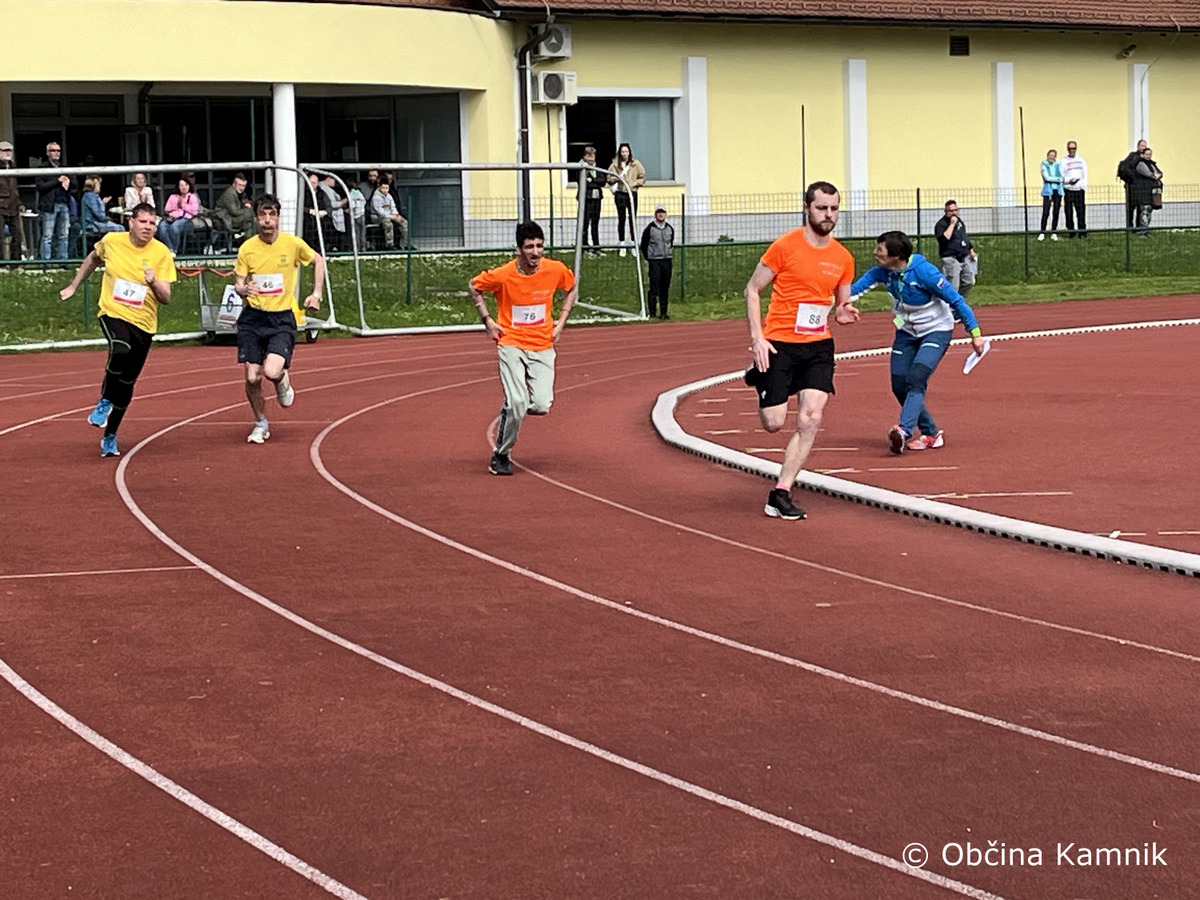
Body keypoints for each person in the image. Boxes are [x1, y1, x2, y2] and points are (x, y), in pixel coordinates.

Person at [743, 181, 859, 520]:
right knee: (773, 422)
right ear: (807, 208)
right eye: (822, 208)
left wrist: (843, 313)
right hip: (779, 342)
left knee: (811, 418)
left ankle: (781, 491)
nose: (828, 215)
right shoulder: (785, 246)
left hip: (818, 346)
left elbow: (841, 303)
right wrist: (758, 338)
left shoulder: (843, 257)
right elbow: (752, 290)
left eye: (834, 208)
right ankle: (759, 376)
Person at [850, 231, 986, 455]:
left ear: (896, 256)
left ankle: (903, 431)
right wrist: (827, 299)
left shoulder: (925, 272)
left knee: (915, 378)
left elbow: (957, 300)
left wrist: (975, 333)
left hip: (936, 331)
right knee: (899, 385)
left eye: (880, 250)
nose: (875, 253)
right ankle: (931, 433)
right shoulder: (882, 271)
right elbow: (853, 291)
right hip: (906, 333)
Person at [57, 204, 176, 457]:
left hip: (144, 323)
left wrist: (153, 281)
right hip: (113, 312)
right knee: (120, 348)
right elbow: (92, 259)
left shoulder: (161, 253)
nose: (148, 227)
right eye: (143, 222)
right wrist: (73, 285)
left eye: (152, 223)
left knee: (127, 384)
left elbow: (166, 297)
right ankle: (104, 400)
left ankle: (110, 434)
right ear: (131, 222)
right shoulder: (112, 241)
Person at [469, 221, 578, 476]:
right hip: (511, 342)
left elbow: (571, 287)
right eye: (529, 247)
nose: (535, 252)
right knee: (518, 402)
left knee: (541, 404)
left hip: (542, 344)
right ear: (519, 249)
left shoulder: (555, 269)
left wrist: (561, 322)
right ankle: (501, 454)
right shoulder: (504, 274)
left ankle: (513, 408)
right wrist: (488, 320)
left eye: (539, 246)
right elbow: (474, 286)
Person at [233, 194, 324, 444]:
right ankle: (261, 422)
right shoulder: (247, 248)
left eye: (271, 214)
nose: (267, 220)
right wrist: (244, 290)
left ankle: (282, 379)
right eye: (262, 215)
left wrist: (316, 294)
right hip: (253, 318)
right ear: (256, 218)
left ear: (278, 217)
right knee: (252, 377)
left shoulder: (292, 244)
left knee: (271, 371)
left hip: (281, 318)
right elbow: (238, 283)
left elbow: (318, 260)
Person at [35, 141, 74, 260]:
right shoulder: (42, 168)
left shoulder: (65, 168)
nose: (56, 153)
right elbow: (40, 187)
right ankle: (46, 262)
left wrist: (68, 182)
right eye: (53, 150)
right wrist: (58, 181)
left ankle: (63, 261)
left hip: (64, 204)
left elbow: (75, 185)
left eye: (58, 150)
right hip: (49, 206)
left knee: (64, 235)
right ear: (48, 152)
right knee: (47, 236)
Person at [607, 142, 645, 256]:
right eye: (623, 151)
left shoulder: (635, 164)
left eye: (626, 151)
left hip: (632, 193)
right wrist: (617, 178)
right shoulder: (614, 165)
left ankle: (633, 243)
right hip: (620, 193)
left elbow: (642, 177)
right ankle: (622, 244)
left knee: (632, 218)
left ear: (630, 152)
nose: (625, 154)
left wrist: (634, 184)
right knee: (621, 218)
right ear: (620, 152)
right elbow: (609, 178)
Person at [933, 199, 976, 300]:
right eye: (951, 211)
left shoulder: (959, 222)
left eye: (956, 210)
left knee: (969, 281)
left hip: (964, 257)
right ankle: (950, 304)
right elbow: (944, 239)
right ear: (946, 212)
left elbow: (963, 236)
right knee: (953, 285)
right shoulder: (941, 224)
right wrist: (951, 225)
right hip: (951, 258)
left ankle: (958, 301)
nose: (954, 213)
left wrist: (971, 249)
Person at [639, 204, 675, 319]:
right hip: (654, 261)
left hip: (667, 260)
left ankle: (664, 312)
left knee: (665, 287)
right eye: (659, 212)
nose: (661, 214)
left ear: (666, 214)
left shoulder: (670, 228)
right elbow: (643, 245)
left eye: (662, 212)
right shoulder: (649, 228)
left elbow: (671, 243)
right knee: (654, 287)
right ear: (655, 214)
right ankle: (653, 312)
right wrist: (649, 257)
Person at [156, 174, 199, 254]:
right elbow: (167, 209)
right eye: (181, 185)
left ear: (189, 186)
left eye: (186, 185)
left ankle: (175, 249)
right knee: (162, 226)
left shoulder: (192, 197)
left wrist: (183, 205)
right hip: (172, 218)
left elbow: (194, 211)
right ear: (178, 187)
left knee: (174, 227)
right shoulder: (173, 196)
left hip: (186, 220)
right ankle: (170, 248)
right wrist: (176, 205)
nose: (184, 187)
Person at [0, 139, 24, 262]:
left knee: (17, 236)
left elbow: (14, 188)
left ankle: (16, 263)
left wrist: (19, 203)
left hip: (13, 206)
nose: (8, 153)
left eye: (9, 150)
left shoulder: (13, 167)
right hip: (1, 206)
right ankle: (1, 264)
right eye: (5, 150)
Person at [212, 172, 256, 238]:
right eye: (239, 185)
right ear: (234, 184)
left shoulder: (240, 194)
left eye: (243, 186)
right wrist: (248, 209)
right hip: (225, 220)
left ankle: (247, 240)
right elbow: (234, 212)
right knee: (249, 215)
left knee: (250, 224)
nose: (241, 188)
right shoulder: (229, 194)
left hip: (232, 218)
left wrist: (246, 206)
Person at [579, 145, 606, 253]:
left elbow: (603, 181)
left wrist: (593, 180)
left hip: (597, 198)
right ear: (585, 156)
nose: (591, 158)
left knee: (595, 223)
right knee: (585, 223)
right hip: (586, 198)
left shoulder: (597, 168)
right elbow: (584, 183)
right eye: (589, 156)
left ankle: (596, 246)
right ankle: (585, 246)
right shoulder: (581, 168)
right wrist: (594, 182)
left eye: (593, 156)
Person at [1132, 147, 1163, 237]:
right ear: (1143, 155)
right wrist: (1155, 175)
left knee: (1149, 210)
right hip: (1143, 191)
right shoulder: (1140, 164)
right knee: (1144, 211)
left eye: (1150, 154)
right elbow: (1150, 174)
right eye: (1147, 154)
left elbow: (1160, 173)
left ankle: (1146, 230)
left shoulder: (1152, 164)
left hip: (1151, 192)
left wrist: (1157, 175)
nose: (1148, 156)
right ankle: (1143, 231)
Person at [1118, 139, 1148, 229]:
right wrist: (1133, 178)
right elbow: (1127, 168)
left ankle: (1138, 226)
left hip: (1141, 187)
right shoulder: (1133, 156)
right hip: (1132, 185)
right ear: (1138, 146)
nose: (1143, 147)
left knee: (1140, 207)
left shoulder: (1145, 158)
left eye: (1145, 146)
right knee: (1131, 207)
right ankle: (1130, 226)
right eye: (1142, 146)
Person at [370, 177, 408, 249]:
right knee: (388, 224)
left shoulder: (389, 196)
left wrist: (396, 214)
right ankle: (389, 245)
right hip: (378, 217)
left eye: (387, 188)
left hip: (390, 215)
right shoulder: (376, 197)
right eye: (383, 188)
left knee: (404, 222)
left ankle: (407, 244)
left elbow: (393, 206)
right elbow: (380, 212)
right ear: (379, 187)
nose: (385, 190)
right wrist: (392, 217)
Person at [1061, 140, 1088, 238]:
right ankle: (1071, 231)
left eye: (1074, 148)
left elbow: (1085, 174)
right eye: (1070, 148)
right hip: (1068, 189)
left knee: (1081, 212)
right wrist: (1069, 181)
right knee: (1068, 212)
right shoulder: (1063, 161)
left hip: (1079, 190)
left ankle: (1082, 232)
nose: (1072, 150)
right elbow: (1061, 175)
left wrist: (1083, 186)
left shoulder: (1081, 160)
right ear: (1067, 149)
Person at [1038, 149, 1063, 241]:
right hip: (1048, 191)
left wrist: (1059, 179)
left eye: (1053, 156)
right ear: (1047, 156)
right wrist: (1058, 179)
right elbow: (1047, 177)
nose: (1051, 157)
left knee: (1056, 211)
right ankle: (1042, 232)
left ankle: (1054, 232)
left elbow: (1062, 176)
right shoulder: (1044, 164)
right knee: (1046, 211)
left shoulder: (1058, 165)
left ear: (1055, 157)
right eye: (1050, 155)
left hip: (1057, 191)